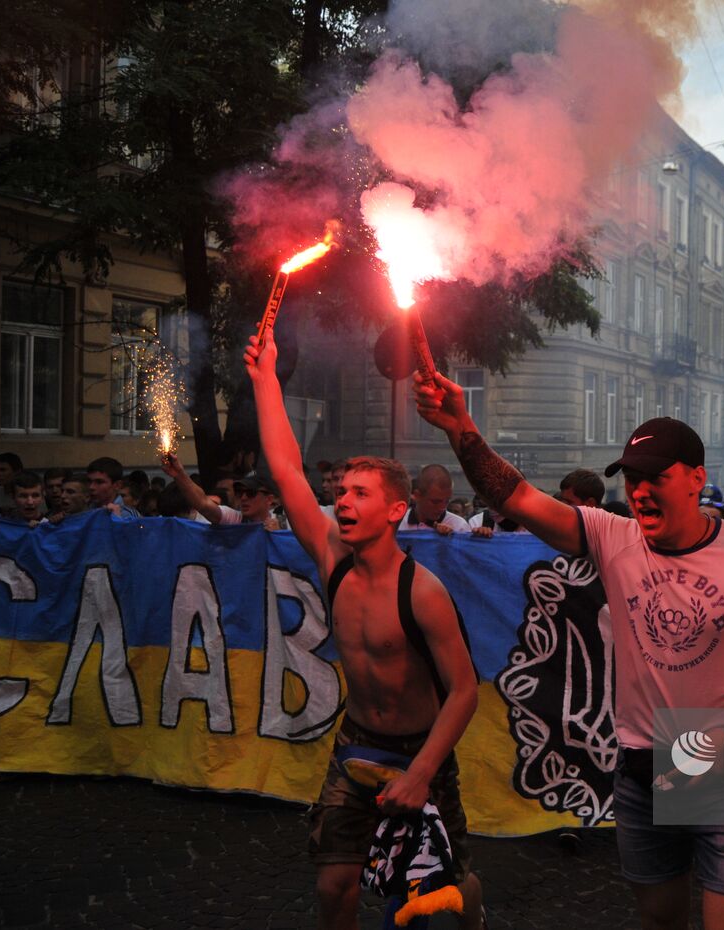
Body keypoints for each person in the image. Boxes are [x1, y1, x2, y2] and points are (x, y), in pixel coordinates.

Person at [413, 369, 724, 930]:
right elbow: (512, 494)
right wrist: (460, 426)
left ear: (695, 478)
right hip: (643, 773)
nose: (639, 488)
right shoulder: (614, 536)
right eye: (631, 476)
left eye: (655, 475)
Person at [246, 331, 483, 930]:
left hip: (419, 753)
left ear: (396, 510)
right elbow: (285, 470)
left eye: (359, 494)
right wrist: (265, 378)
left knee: (446, 891)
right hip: (356, 746)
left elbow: (464, 691)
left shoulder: (422, 592)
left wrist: (423, 772)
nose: (342, 502)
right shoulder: (333, 560)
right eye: (341, 492)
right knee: (334, 883)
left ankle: (474, 915)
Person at [159, 456, 282, 529]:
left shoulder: (286, 524)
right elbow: (203, 504)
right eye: (239, 492)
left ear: (269, 499)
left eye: (251, 493)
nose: (243, 498)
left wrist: (279, 536)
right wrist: (179, 475)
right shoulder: (235, 520)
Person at [403, 465, 472, 534]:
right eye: (435, 502)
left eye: (447, 501)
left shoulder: (459, 526)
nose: (442, 508)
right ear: (417, 496)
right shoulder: (398, 522)